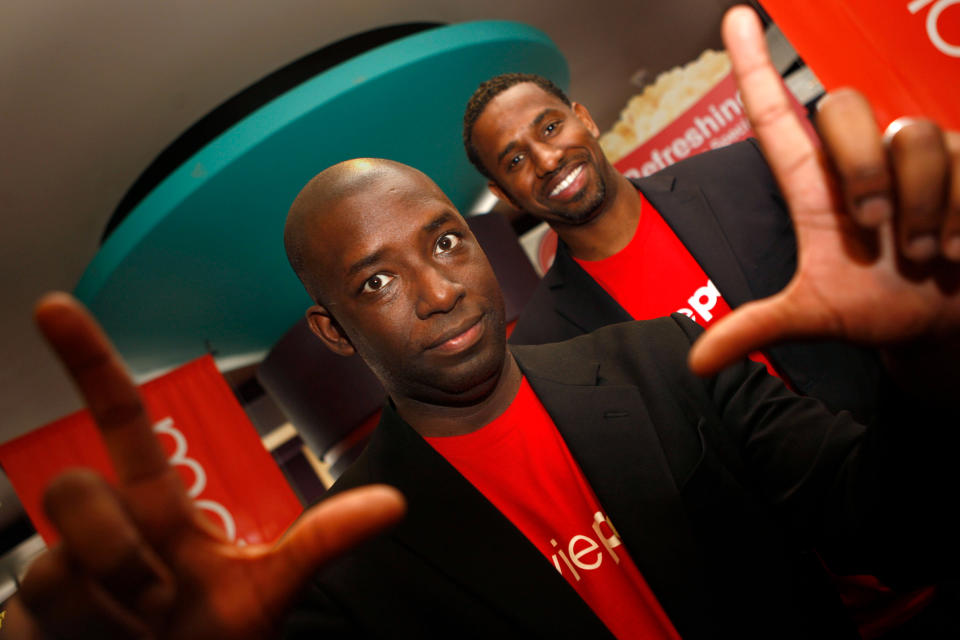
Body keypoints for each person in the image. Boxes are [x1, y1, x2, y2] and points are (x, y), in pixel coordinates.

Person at [7, 7, 960, 638]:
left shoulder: (668, 361)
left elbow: (901, 521)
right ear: (334, 332)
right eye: (376, 285)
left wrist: (930, 360)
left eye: (447, 244)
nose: (436, 290)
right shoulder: (348, 558)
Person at [463, 54, 893, 427]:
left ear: (586, 119)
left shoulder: (744, 173)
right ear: (502, 193)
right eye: (516, 159)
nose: (548, 158)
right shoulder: (547, 345)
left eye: (551, 127)